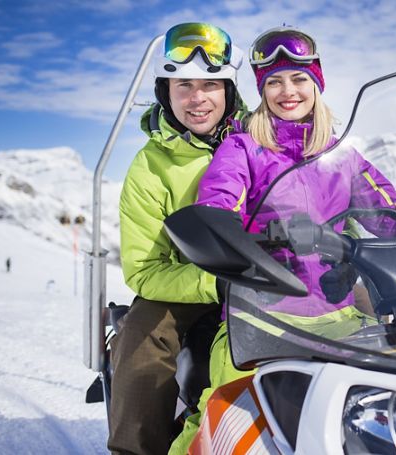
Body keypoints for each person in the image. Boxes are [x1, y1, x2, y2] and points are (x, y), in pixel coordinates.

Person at [169, 26, 396, 454]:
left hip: (338, 319)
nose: (288, 91)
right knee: (224, 425)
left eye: (299, 79)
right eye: (274, 82)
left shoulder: (341, 154)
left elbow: (390, 214)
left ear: (316, 84)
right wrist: (248, 243)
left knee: (395, 414)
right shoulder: (242, 147)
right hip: (258, 320)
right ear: (262, 90)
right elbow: (218, 202)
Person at [109, 22, 246, 455]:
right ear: (164, 91)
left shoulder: (259, 140)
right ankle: (137, 447)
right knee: (145, 331)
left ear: (229, 91)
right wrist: (214, 282)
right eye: (183, 84)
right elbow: (145, 270)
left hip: (266, 276)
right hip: (187, 284)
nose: (197, 98)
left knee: (358, 306)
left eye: (211, 84)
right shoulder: (150, 167)